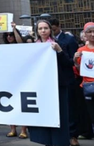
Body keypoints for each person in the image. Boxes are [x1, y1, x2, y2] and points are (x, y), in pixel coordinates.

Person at [29, 18, 72, 146]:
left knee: (60, 116)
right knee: (45, 115)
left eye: (45, 28)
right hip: (41, 87)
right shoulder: (33, 47)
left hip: (58, 86)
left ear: (50, 30)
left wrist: (59, 51)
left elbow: (68, 64)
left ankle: (60, 142)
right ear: (37, 31)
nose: (43, 31)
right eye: (40, 29)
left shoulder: (59, 43)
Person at [51, 19, 80, 145]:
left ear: (58, 27)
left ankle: (72, 135)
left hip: (66, 79)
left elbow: (71, 62)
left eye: (53, 29)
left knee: (69, 108)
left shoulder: (68, 40)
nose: (51, 31)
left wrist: (59, 51)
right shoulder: (42, 43)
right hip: (50, 81)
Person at [74, 23, 94, 142]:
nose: (92, 34)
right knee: (91, 115)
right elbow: (78, 70)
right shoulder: (81, 50)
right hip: (88, 87)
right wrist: (75, 59)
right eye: (89, 32)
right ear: (85, 34)